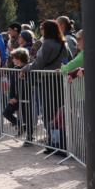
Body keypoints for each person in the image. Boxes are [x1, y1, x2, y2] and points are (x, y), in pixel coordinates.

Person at [22, 19, 71, 155]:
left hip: (48, 81)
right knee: (59, 113)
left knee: (49, 113)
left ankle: (54, 143)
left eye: (43, 28)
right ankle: (60, 143)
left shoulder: (48, 43)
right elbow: (69, 59)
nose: (41, 30)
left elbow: (39, 63)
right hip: (60, 81)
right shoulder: (63, 43)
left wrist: (26, 68)